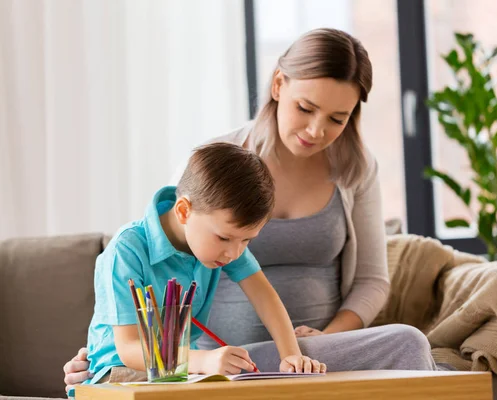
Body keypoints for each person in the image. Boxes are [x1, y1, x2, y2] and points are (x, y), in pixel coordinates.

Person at [64, 28, 437, 393]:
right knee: (409, 345)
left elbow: (351, 282)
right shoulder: (206, 171)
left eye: (337, 119)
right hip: (210, 363)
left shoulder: (354, 170)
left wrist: (298, 350)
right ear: (278, 85)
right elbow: (131, 336)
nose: (316, 130)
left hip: (298, 352)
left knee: (408, 345)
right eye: (305, 107)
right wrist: (110, 357)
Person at [84, 143, 325, 385]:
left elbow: (265, 296)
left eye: (247, 240)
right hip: (118, 373)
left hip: (180, 374)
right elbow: (129, 348)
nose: (234, 252)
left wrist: (291, 355)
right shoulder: (127, 249)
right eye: (224, 238)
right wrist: (203, 361)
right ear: (183, 211)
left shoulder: (224, 243)